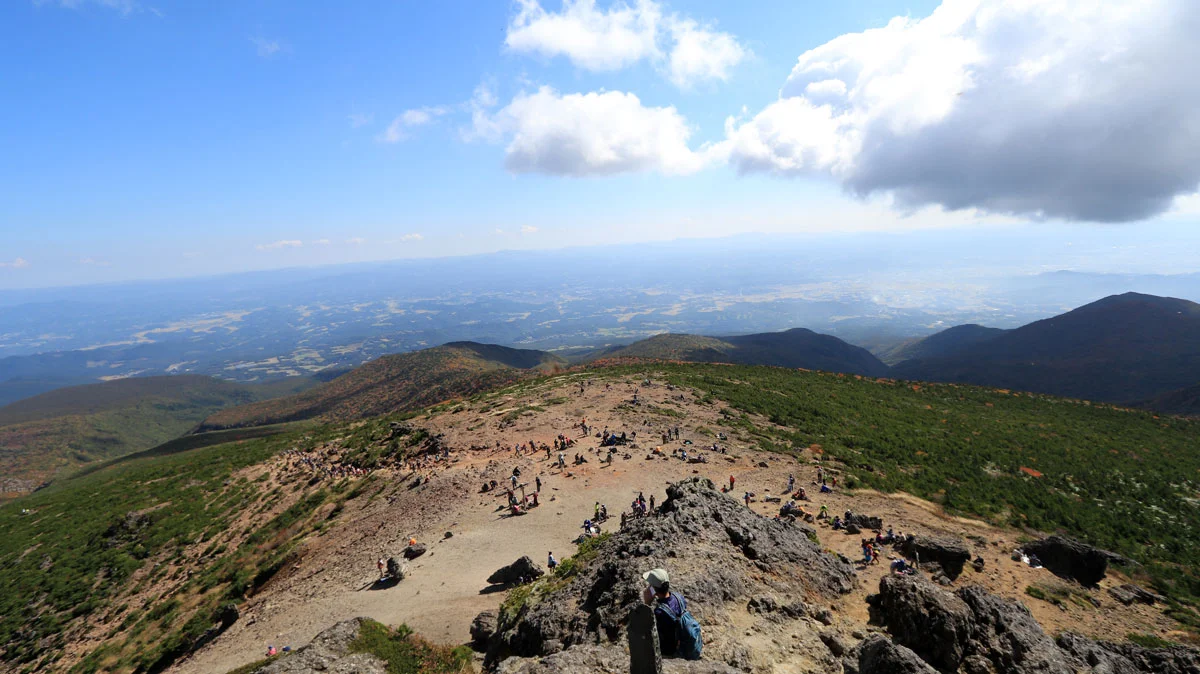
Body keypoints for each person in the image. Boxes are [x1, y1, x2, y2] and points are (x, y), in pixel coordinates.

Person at [641, 568, 702, 660]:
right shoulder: (678, 597)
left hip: (671, 650)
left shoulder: (660, 613)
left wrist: (647, 603)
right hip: (683, 638)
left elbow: (647, 628)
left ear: (653, 589)